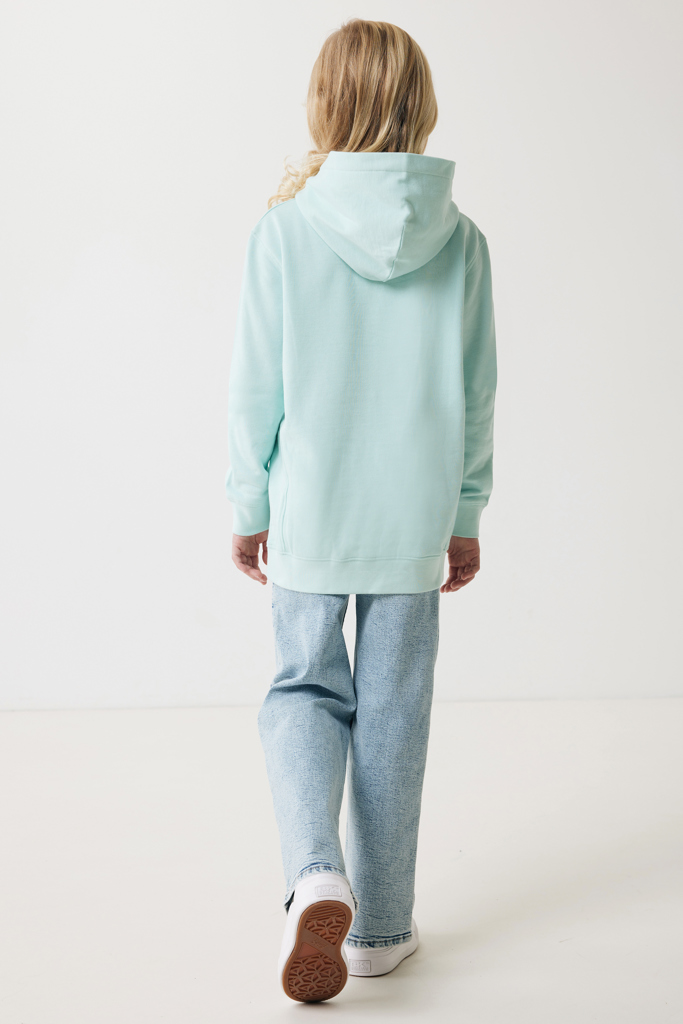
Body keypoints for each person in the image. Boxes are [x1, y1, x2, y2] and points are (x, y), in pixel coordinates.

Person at [224, 18, 497, 1004]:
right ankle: (379, 930)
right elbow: (475, 394)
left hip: (310, 511)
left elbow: (255, 391)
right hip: (411, 519)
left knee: (304, 689)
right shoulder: (460, 241)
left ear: (323, 103)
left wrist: (247, 501)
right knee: (392, 713)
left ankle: (314, 876)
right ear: (420, 107)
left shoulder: (282, 230)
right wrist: (463, 511)